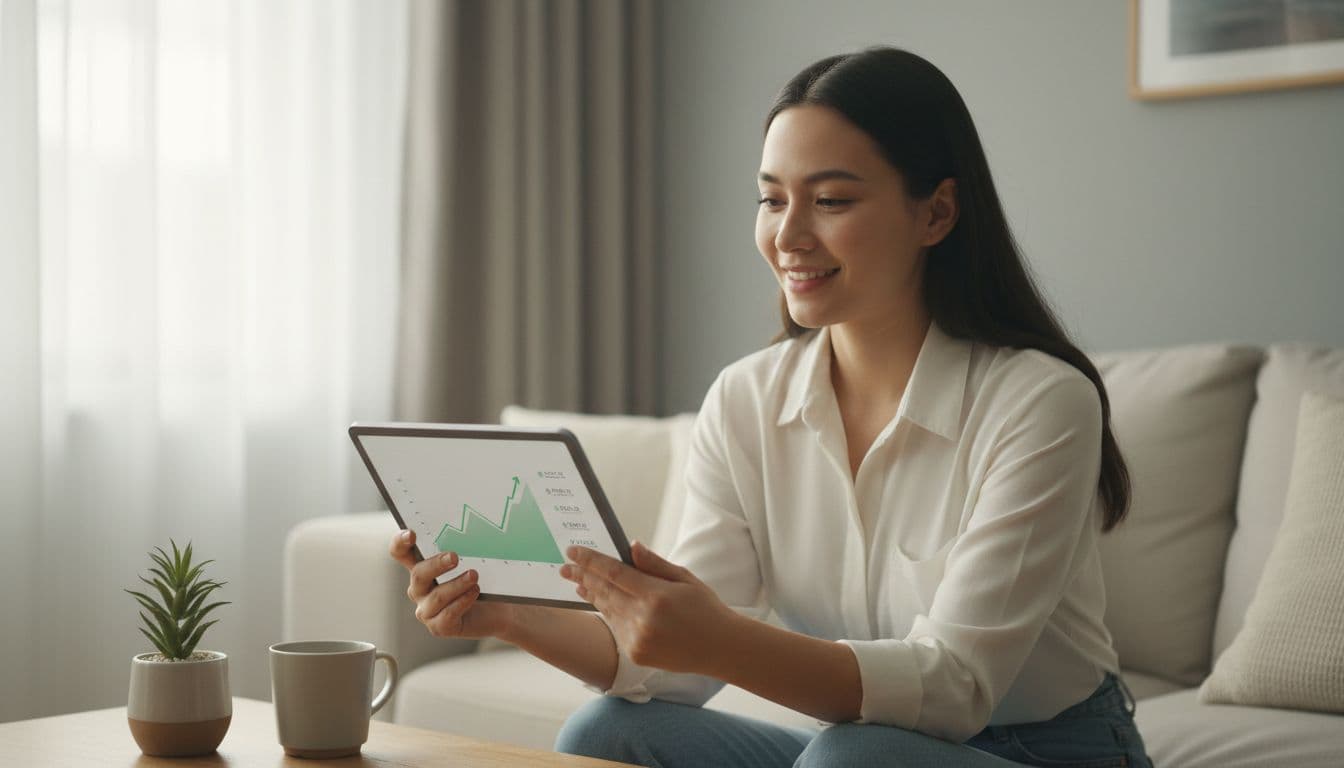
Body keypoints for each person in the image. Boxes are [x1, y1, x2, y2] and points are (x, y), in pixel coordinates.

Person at [389, 46, 1153, 768]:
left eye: (829, 200)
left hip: (1052, 752)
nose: (788, 235)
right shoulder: (747, 399)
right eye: (770, 199)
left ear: (936, 214)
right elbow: (670, 672)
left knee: (853, 756)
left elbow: (955, 687)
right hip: (860, 749)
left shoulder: (1040, 401)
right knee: (611, 731)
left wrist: (722, 641)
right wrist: (508, 616)